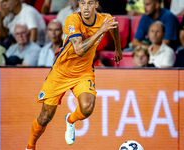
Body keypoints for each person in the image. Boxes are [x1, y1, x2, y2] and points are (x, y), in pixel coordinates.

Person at [25, 0, 123, 149]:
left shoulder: (105, 19)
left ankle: (70, 120)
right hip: (61, 71)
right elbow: (78, 49)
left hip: (83, 72)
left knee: (88, 108)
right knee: (45, 117)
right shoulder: (72, 20)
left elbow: (113, 24)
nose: (85, 7)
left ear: (96, 4)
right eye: (82, 3)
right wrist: (100, 31)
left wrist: (118, 48)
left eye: (90, 3)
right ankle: (30, 146)